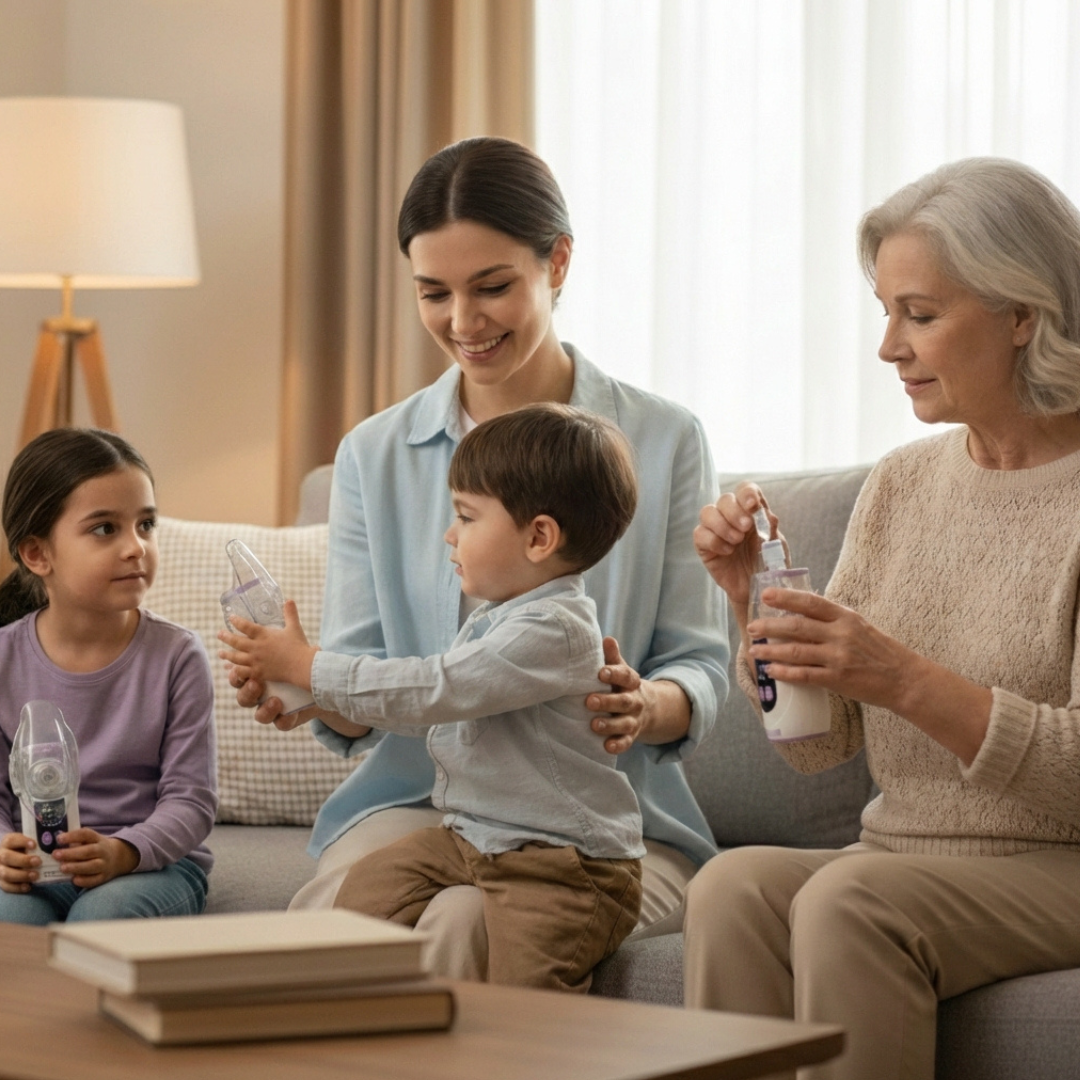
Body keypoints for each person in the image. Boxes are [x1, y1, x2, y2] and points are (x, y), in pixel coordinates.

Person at [232, 136, 729, 980]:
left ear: (557, 262)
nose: (463, 323)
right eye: (435, 293)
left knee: (464, 925)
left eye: (492, 286)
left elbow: (702, 665)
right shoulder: (374, 454)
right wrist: (307, 684)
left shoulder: (662, 438)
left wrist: (647, 706)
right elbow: (371, 686)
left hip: (599, 824)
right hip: (415, 806)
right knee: (351, 924)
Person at [688, 156, 1080, 1080]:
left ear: (1023, 316)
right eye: (886, 313)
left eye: (922, 314)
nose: (889, 348)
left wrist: (904, 676)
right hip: (901, 851)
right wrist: (756, 608)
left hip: (1058, 862)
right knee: (733, 886)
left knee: (850, 899)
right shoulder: (902, 483)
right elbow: (821, 749)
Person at [221, 404, 644, 991]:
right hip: (474, 837)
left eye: (467, 517)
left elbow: (435, 689)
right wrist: (318, 697)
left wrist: (311, 666)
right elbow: (443, 715)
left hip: (563, 867)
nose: (450, 533)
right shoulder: (503, 619)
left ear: (540, 537)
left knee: (530, 1007)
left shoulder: (553, 630)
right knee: (356, 899)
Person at [0, 428, 217, 924]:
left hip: (151, 867)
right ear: (37, 554)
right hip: (36, 870)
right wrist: (5, 851)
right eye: (105, 529)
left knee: (101, 922)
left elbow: (191, 800)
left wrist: (123, 851)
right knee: (10, 925)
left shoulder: (177, 656)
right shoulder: (3, 660)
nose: (135, 547)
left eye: (145, 524)